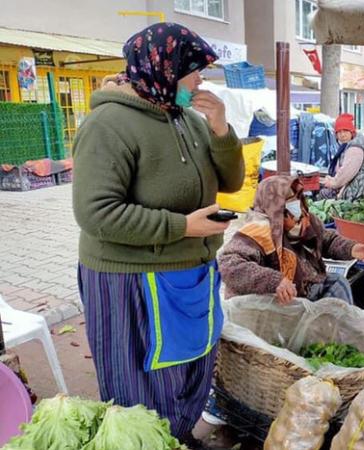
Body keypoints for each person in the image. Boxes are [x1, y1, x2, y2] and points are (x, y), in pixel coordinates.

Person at [72, 23, 245, 449]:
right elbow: (96, 213)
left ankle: (178, 438)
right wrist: (184, 227)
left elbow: (233, 179)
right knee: (140, 385)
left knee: (191, 370)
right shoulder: (108, 124)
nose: (201, 80)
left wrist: (221, 127)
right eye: (194, 71)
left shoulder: (187, 117)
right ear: (163, 69)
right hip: (130, 279)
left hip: (191, 272)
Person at [218, 175, 364, 304]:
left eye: (298, 198)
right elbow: (228, 265)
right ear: (274, 205)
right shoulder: (259, 230)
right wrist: (275, 281)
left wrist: (351, 249)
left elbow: (326, 239)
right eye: (289, 201)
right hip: (268, 303)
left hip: (303, 289)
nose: (297, 206)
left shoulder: (304, 220)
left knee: (338, 283)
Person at [319, 114, 364, 201]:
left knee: (323, 194)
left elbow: (346, 174)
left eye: (345, 131)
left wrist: (332, 182)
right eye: (339, 132)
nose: (342, 135)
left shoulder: (355, 148)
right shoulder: (352, 142)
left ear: (351, 131)